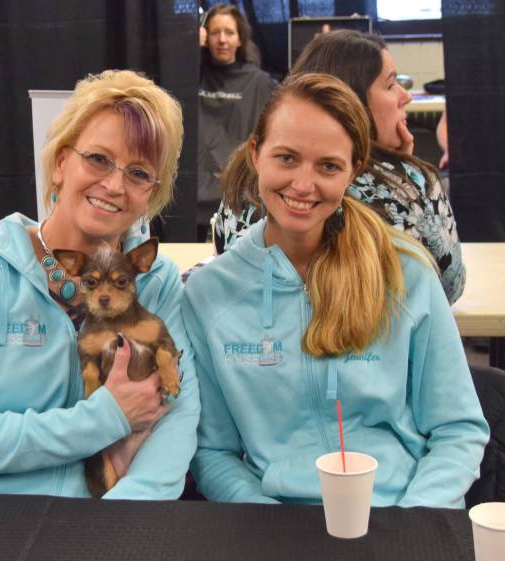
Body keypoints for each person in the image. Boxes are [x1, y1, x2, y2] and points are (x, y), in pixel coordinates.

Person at [183, 73, 488, 507]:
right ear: (255, 154)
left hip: (405, 515)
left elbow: (458, 429)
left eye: (328, 166)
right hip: (275, 530)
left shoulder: (404, 274)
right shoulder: (209, 294)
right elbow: (214, 453)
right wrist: (268, 524)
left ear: (354, 169)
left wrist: (412, 520)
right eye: (286, 158)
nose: (304, 185)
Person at [0, 70, 199, 498]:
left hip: (109, 522)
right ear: (59, 164)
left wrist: (112, 526)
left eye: (139, 173)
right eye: (99, 159)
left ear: (152, 195)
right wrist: (108, 418)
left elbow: (176, 421)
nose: (113, 185)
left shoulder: (158, 282)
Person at [213, 30, 465, 304]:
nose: (406, 97)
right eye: (391, 85)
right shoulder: (409, 187)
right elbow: (447, 287)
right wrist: (407, 179)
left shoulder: (244, 175)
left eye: (329, 166)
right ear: (354, 99)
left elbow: (225, 261)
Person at [197, 4, 275, 240]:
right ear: (204, 37)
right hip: (195, 193)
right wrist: (188, 47)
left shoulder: (259, 82)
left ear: (240, 39)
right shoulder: (190, 75)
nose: (222, 40)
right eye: (214, 33)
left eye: (229, 33)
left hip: (238, 190)